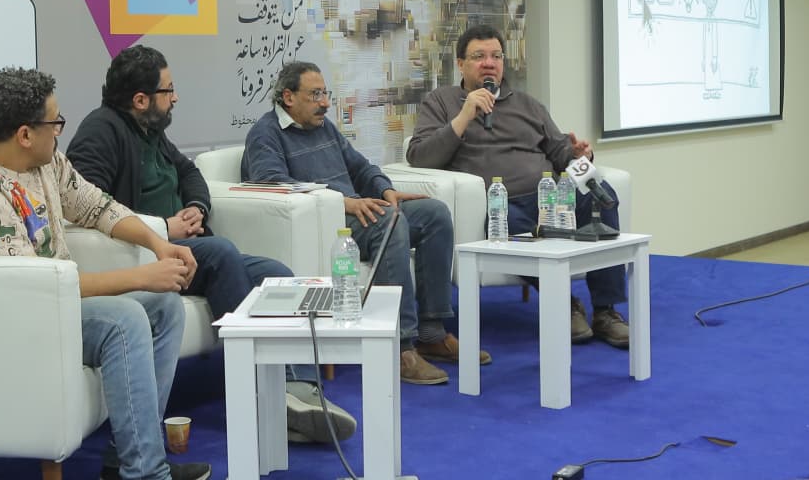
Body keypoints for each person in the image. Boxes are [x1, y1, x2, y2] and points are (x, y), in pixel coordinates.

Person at [66, 45, 356, 445]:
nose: (175, 97)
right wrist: (164, 228)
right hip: (148, 255)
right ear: (141, 99)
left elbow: (190, 174)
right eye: (168, 90)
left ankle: (300, 390)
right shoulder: (101, 132)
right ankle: (256, 396)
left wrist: (196, 207)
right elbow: (91, 208)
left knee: (277, 274)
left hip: (185, 245)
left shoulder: (150, 129)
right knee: (221, 253)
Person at [0, 67, 211, 480]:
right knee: (125, 319)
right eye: (55, 123)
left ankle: (129, 457)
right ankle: (148, 474)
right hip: (3, 321)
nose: (60, 131)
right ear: (25, 134)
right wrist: (142, 277)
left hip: (50, 307)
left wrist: (159, 243)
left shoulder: (43, 163)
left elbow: (97, 207)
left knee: (165, 307)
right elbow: (37, 287)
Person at [241, 61, 492, 385]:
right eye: (315, 95)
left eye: (326, 94)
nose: (325, 103)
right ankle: (400, 347)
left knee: (434, 214)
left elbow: (361, 167)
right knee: (390, 221)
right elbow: (272, 185)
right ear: (288, 97)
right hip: (327, 223)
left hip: (358, 209)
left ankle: (432, 333)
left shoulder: (323, 127)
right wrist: (342, 202)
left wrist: (385, 190)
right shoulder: (265, 134)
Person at [406, 25, 630, 348]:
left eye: (496, 56)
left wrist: (581, 155)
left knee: (602, 196)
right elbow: (419, 156)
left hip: (550, 196)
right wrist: (465, 115)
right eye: (479, 56)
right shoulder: (441, 102)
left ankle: (606, 311)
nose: (489, 63)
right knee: (507, 222)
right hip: (502, 204)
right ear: (461, 64)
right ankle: (564, 304)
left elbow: (560, 152)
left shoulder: (528, 104)